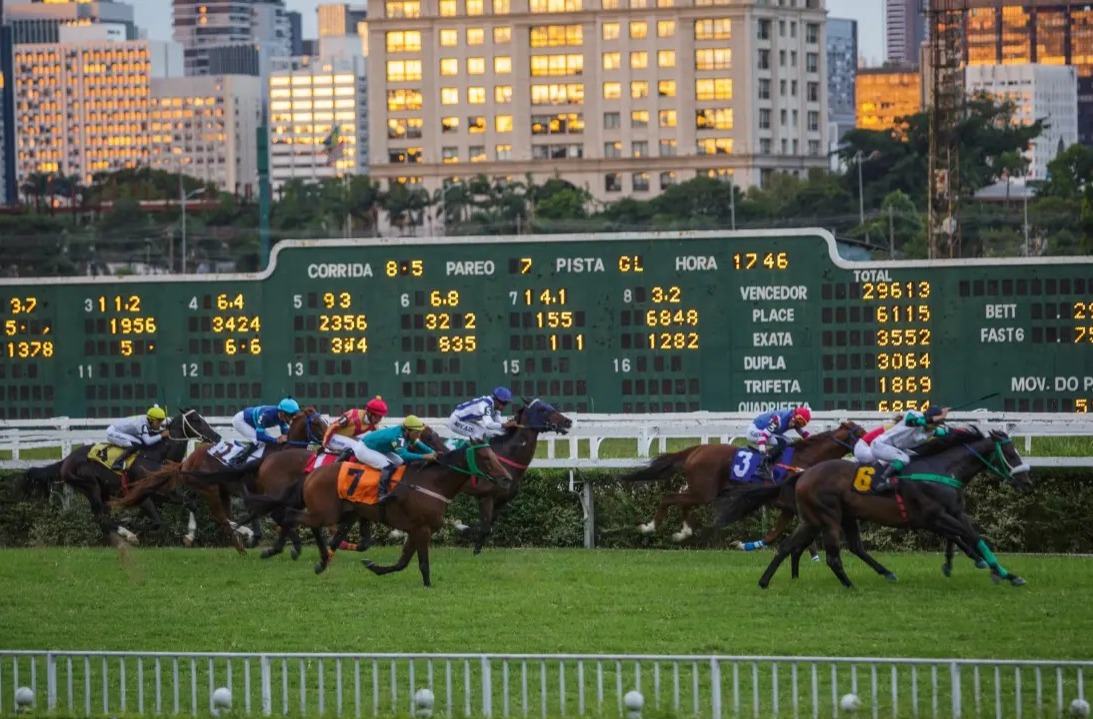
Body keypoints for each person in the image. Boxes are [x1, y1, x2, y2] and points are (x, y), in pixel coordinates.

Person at [870, 405, 951, 493]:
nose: (935, 426)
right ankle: (881, 481)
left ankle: (898, 481)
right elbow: (918, 421)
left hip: (895, 449)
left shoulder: (931, 432)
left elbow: (947, 432)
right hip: (880, 445)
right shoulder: (913, 415)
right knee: (904, 459)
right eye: (935, 423)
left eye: (937, 424)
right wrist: (941, 416)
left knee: (916, 459)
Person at [360, 415, 438, 505]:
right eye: (417, 432)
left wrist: (433, 452)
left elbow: (419, 445)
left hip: (378, 448)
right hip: (365, 448)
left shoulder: (407, 433)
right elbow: (404, 455)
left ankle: (393, 485)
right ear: (408, 430)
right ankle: (381, 494)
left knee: (399, 462)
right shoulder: (396, 437)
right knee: (387, 465)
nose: (419, 435)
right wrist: (425, 457)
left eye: (420, 432)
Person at [747, 405, 812, 480]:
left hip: (765, 431)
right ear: (793, 416)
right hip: (755, 431)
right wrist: (762, 452)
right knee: (782, 442)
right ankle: (762, 467)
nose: (795, 425)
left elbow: (805, 435)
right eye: (796, 422)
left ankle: (778, 462)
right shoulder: (778, 420)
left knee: (790, 442)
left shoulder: (793, 420)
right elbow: (763, 436)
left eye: (800, 424)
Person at [230, 398, 301, 466]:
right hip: (241, 421)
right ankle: (237, 459)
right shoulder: (267, 415)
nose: (292, 418)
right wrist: (276, 440)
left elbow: (285, 433)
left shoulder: (282, 417)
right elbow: (259, 436)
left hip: (254, 423)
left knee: (267, 443)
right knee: (259, 442)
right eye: (291, 415)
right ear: (282, 413)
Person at [323, 396, 388, 463]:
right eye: (378, 417)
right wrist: (324, 443)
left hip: (346, 437)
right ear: (370, 413)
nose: (379, 420)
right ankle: (335, 465)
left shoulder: (373, 423)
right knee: (356, 446)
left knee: (364, 444)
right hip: (332, 437)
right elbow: (332, 427)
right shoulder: (352, 416)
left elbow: (377, 438)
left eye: (381, 417)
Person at [105, 405, 168, 471]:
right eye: (159, 423)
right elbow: (148, 441)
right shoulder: (142, 424)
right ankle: (117, 462)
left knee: (140, 441)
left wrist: (163, 431)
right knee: (137, 443)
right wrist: (161, 435)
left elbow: (159, 430)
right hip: (113, 432)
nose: (160, 425)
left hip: (123, 431)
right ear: (153, 421)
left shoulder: (149, 419)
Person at [448, 387, 516, 439]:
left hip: (467, 421)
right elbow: (489, 424)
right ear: (496, 400)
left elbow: (500, 424)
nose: (504, 407)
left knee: (489, 434)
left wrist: (508, 427)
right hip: (456, 421)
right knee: (482, 434)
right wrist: (506, 425)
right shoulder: (486, 405)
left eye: (505, 404)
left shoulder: (496, 408)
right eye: (503, 404)